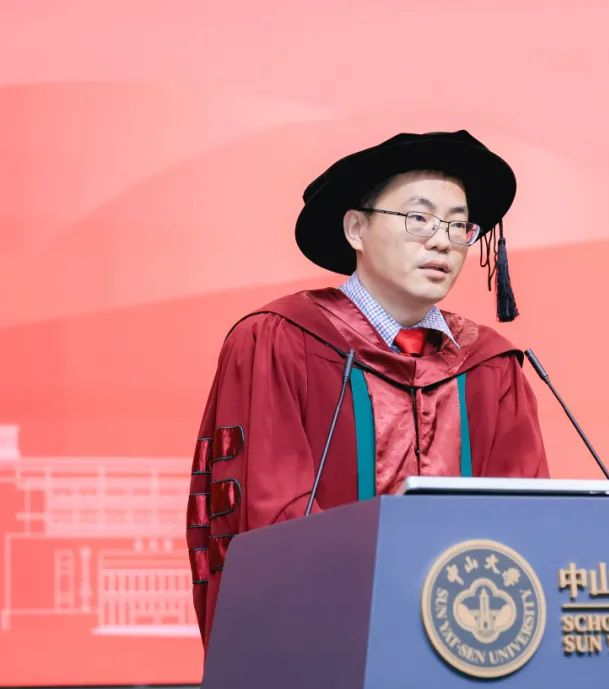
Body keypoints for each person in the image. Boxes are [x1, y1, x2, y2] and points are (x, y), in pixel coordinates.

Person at [184, 130, 549, 645]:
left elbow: (525, 527)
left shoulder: (491, 368)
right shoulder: (279, 341)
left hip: (468, 649)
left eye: (458, 224)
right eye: (419, 218)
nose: (442, 241)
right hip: (322, 648)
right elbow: (269, 517)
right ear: (356, 228)